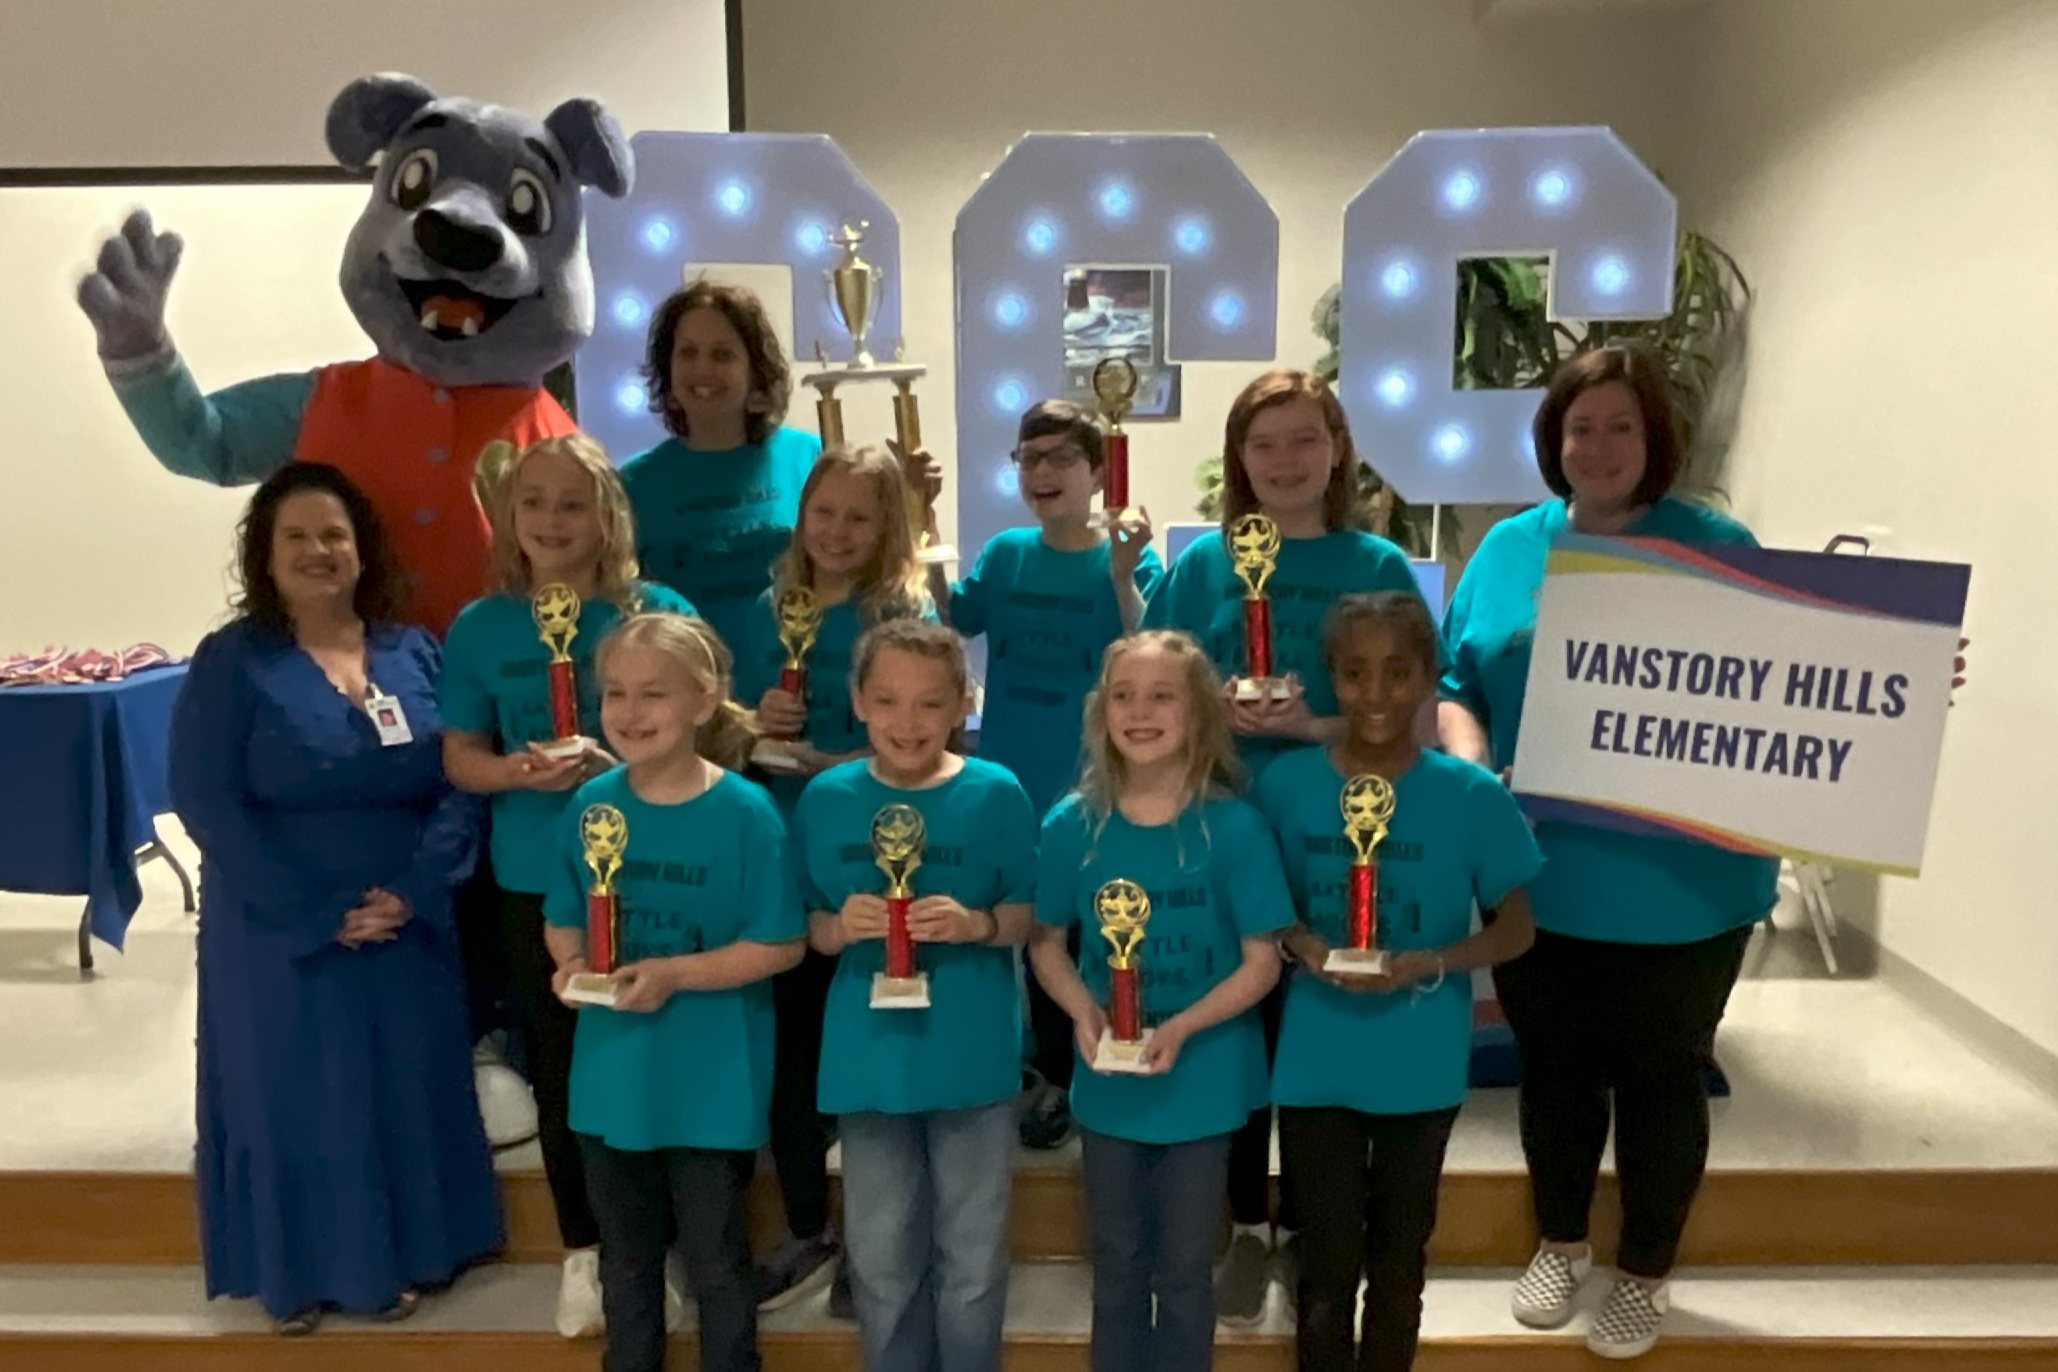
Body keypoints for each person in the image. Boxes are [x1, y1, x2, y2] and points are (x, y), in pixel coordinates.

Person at [1438, 345, 1776, 1360]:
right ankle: (1561, 1239)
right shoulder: (1506, 549)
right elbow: (1459, 681)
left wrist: (1900, 672)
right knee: (1555, 1068)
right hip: (1544, 868)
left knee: (1664, 1073)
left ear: (1655, 437)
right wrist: (1473, 770)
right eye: (1579, 427)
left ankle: (1645, 1270)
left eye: (1621, 425)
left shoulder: (1715, 543)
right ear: (1554, 441)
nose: (1599, 446)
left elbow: (1794, 677)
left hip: (1687, 880)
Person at [170, 462, 501, 1335]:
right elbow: (205, 799)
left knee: (401, 1086)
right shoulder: (232, 661)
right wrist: (318, 909)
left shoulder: (414, 649)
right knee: (304, 1096)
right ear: (265, 556)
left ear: (361, 550)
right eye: (297, 537)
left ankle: (416, 1254)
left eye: (334, 535)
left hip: (411, 917)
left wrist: (416, 887)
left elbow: (460, 778)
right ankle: (303, 1274)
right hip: (277, 923)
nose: (319, 551)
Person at [1143, 368, 1421, 1324]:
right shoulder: (1201, 565)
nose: (1286, 461)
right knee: (1235, 1028)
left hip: (1341, 826)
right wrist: (1209, 714)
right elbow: (1151, 690)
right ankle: (1238, 1225)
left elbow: (1408, 705)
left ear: (1338, 449)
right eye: (1264, 445)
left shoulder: (1379, 563)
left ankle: (1316, 1223)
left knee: (1322, 1026)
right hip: (1219, 826)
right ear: (1239, 460)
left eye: (1306, 440)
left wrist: (1314, 728)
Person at [440, 433, 695, 1337]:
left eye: (572, 503)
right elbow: (461, 756)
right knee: (564, 1072)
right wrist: (519, 774)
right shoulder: (480, 627)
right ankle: (586, 1253)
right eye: (534, 501)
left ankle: (659, 1247)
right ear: (509, 516)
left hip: (655, 878)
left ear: (607, 517)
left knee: (654, 1060)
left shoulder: (655, 612)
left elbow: (701, 736)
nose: (552, 520)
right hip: (534, 883)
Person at [1257, 593, 1538, 1372]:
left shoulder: (1470, 796)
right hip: (1316, 1060)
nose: (1375, 694)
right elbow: (1260, 907)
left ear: (1427, 678)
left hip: (1420, 1063)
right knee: (1326, 1263)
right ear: (1330, 679)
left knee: (1399, 1261)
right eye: (1354, 674)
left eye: (1396, 673)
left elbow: (1517, 930)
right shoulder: (1285, 787)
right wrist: (1302, 943)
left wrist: (1433, 960)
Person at [544, 612, 804, 1372]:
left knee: (718, 1268)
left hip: (710, 1087)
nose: (629, 712)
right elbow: (561, 918)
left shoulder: (746, 814)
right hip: (610, 1082)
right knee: (628, 1269)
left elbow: (781, 943)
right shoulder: (590, 806)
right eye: (615, 692)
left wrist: (675, 975)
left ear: (703, 700)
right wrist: (567, 966)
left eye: (653, 693)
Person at [1029, 630, 1288, 1372]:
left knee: (1181, 1270)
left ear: (1200, 713)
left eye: (1162, 696)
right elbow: (1045, 941)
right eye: (1123, 696)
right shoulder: (1071, 825)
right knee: (1114, 1266)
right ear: (1100, 710)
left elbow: (1262, 961)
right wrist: (1082, 1010)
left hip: (1201, 1082)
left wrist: (1182, 1025)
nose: (1140, 712)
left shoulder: (1232, 828)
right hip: (1108, 1086)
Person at [795, 619, 1038, 1372]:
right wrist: (838, 925)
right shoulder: (825, 798)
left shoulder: (997, 793)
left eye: (930, 704)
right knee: (881, 1258)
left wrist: (977, 923)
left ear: (963, 705)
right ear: (859, 703)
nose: (908, 723)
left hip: (972, 1059)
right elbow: (801, 927)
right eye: (889, 701)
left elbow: (1034, 916)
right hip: (869, 1066)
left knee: (971, 1258)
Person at [730, 443, 936, 1312]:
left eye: (860, 516)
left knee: (869, 1050)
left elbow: (933, 737)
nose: (840, 531)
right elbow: (713, 722)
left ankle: (878, 1240)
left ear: (888, 525)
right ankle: (812, 1225)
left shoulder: (907, 614)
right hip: (779, 849)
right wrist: (752, 722)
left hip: (874, 854)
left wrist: (842, 758)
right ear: (801, 517)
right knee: (790, 1052)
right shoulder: (762, 608)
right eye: (826, 513)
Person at [935, 399, 1163, 1151]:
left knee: (1070, 933)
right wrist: (921, 515)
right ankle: (1013, 1072)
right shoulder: (1005, 554)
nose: (1043, 473)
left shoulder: (1129, 556)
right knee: (1008, 928)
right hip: (1005, 779)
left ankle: (1071, 1076)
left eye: (1062, 458)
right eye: (1029, 458)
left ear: (1098, 470)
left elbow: (1153, 645)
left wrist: (1125, 575)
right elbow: (951, 621)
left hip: (1091, 786)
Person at [620, 280, 822, 654]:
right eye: (688, 353)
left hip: (798, 692)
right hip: (684, 697)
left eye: (723, 355)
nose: (703, 369)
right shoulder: (632, 483)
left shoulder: (809, 457)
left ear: (755, 371)